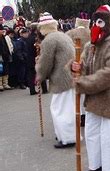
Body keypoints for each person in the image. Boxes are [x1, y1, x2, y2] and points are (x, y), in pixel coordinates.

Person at [71, 5, 110, 171]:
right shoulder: (90, 46)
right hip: (94, 100)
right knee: (92, 133)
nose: (96, 27)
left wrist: (84, 84)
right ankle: (97, 165)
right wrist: (75, 66)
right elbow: (85, 66)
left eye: (100, 23)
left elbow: (109, 74)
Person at [35, 12, 80, 148]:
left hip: (61, 78)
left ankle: (68, 137)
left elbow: (46, 63)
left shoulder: (49, 40)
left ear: (43, 28)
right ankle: (65, 134)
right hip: (69, 76)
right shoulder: (62, 36)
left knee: (60, 109)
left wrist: (39, 75)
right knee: (67, 108)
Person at [66, 17, 91, 126]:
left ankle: (79, 114)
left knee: (76, 92)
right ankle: (87, 114)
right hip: (88, 66)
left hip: (75, 65)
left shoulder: (69, 34)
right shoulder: (91, 33)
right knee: (87, 91)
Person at [0, 25, 12, 91]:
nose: (2, 31)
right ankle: (0, 85)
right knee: (0, 70)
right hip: (0, 56)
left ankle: (5, 84)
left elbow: (6, 46)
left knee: (5, 70)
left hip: (5, 56)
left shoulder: (3, 37)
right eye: (1, 30)